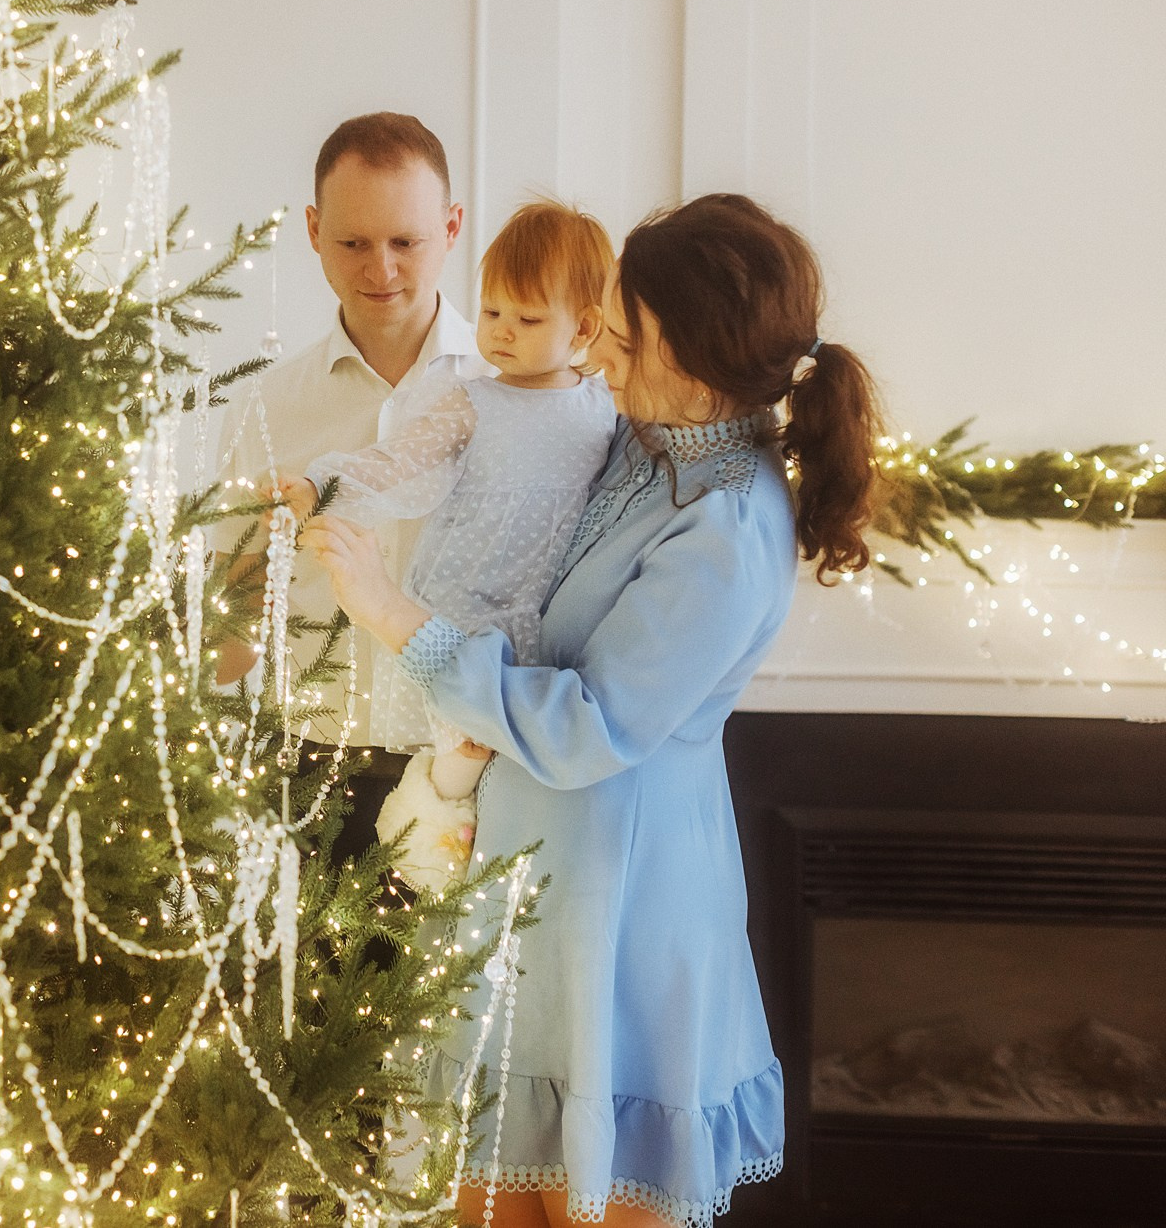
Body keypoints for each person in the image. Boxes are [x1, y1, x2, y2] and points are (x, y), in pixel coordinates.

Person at [301, 194, 882, 1228]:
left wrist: (393, 614)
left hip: (621, 902)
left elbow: (587, 727)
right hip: (532, 882)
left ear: (698, 360)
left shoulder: (728, 524)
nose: (597, 358)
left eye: (620, 337)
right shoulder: (642, 443)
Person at [274, 201, 617, 892]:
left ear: (582, 327)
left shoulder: (605, 408)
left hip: (547, 607)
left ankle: (462, 880)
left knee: (519, 770)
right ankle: (421, 860)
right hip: (468, 596)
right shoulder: (472, 400)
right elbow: (397, 459)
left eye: (527, 320)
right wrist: (322, 482)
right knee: (461, 745)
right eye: (492, 313)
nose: (502, 334)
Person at [214, 112, 489, 861]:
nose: (382, 269)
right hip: (308, 784)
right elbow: (224, 651)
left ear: (453, 226)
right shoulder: (267, 410)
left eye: (406, 241)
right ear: (311, 229)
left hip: (481, 778)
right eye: (353, 242)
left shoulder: (515, 397)